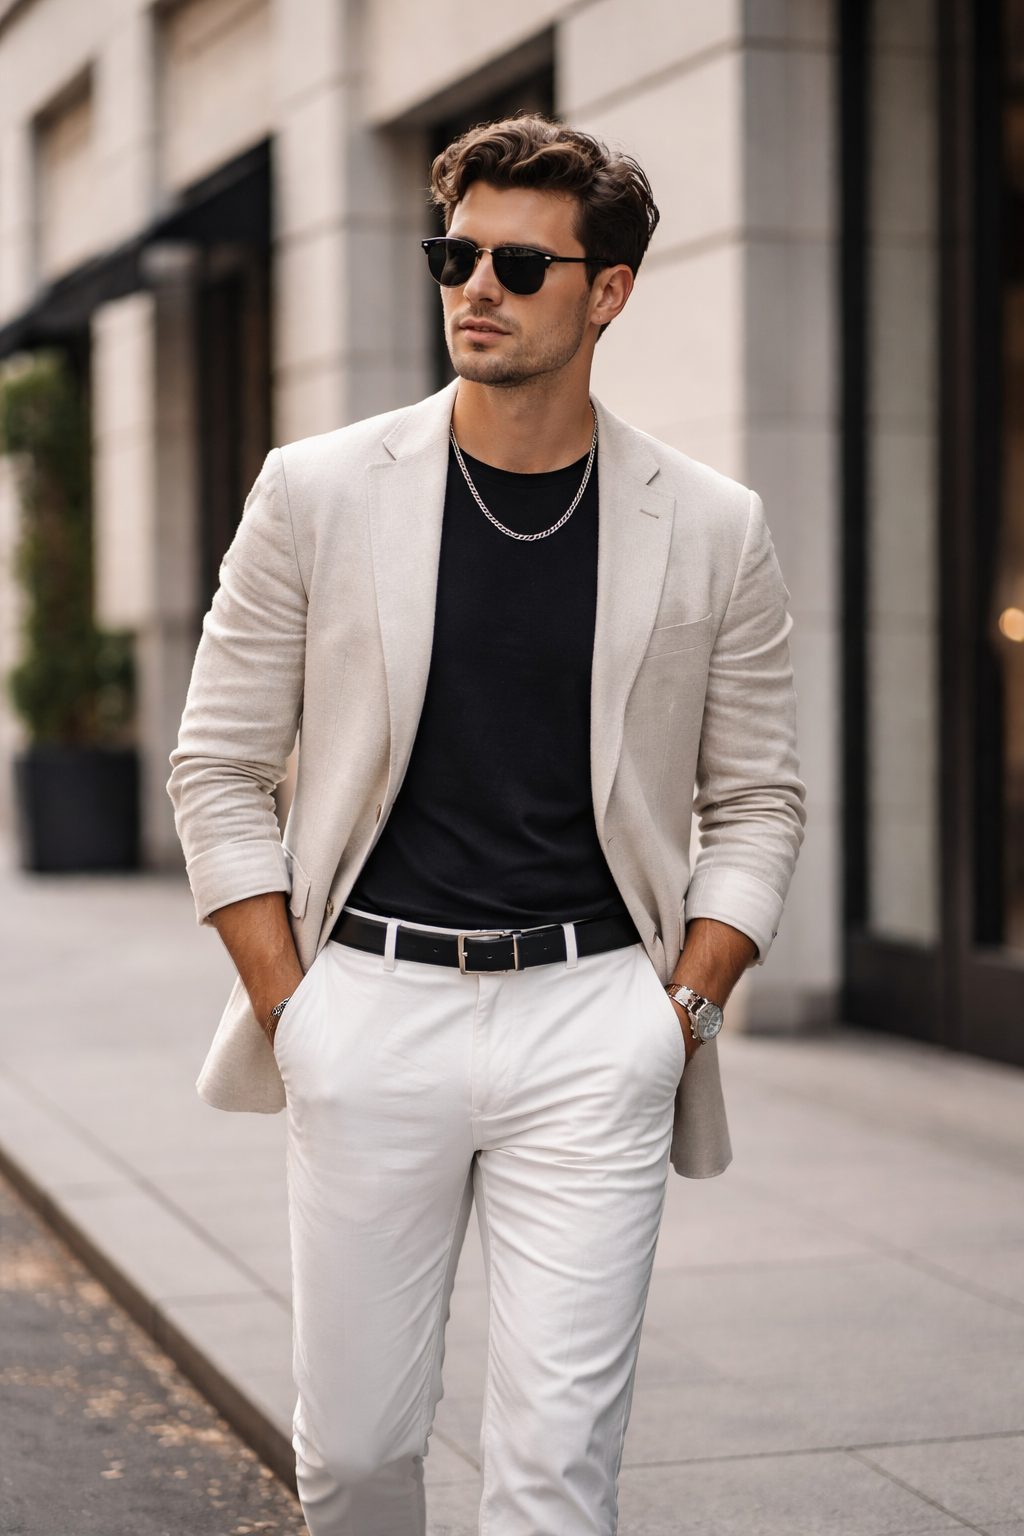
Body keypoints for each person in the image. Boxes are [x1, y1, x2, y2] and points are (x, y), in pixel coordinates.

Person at [169, 116, 805, 1536]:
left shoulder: (711, 523)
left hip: (596, 1020)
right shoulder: (318, 491)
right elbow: (215, 766)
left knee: (555, 1477)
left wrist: (682, 1012)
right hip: (368, 1005)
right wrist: (294, 1008)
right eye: (454, 254)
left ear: (611, 292)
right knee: (357, 1457)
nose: (477, 287)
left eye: (522, 263)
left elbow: (758, 797)